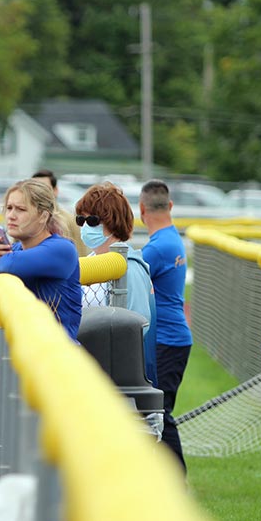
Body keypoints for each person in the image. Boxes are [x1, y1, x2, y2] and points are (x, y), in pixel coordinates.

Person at [0, 179, 81, 340]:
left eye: (21, 209)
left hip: (57, 355)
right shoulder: (14, 250)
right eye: (9, 208)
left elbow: (8, 263)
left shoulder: (62, 249)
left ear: (43, 216)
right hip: (22, 354)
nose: (11, 216)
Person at [75, 182, 158, 385]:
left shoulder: (131, 267)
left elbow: (137, 327)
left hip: (118, 375)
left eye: (92, 220)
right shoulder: (92, 259)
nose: (85, 226)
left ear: (113, 222)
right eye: (81, 220)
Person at [139, 179, 192, 471]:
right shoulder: (172, 238)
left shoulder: (155, 249)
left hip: (166, 340)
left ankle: (176, 479)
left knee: (158, 411)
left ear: (141, 209)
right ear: (170, 206)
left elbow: (127, 275)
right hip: (174, 337)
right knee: (156, 409)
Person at [31, 168, 89, 256]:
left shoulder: (69, 220)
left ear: (55, 190)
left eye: (45, 188)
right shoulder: (25, 219)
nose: (40, 193)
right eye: (35, 189)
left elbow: (80, 252)